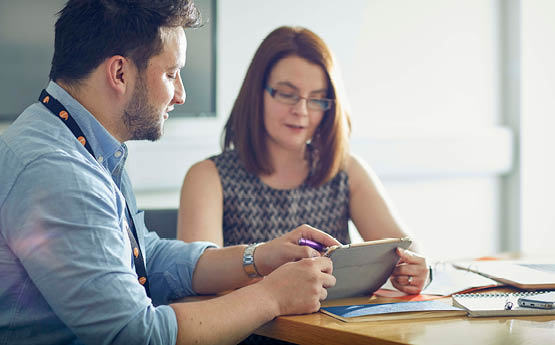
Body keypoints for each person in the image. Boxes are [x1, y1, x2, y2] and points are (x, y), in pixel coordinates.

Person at [0, 2, 340, 345]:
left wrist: (258, 257)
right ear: (119, 73)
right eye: (170, 74)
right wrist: (273, 296)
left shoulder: (77, 141)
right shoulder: (59, 173)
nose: (180, 94)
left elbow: (147, 256)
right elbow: (136, 336)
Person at [177, 26, 430, 295]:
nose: (301, 111)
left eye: (317, 99)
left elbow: (407, 251)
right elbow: (198, 285)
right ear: (256, 93)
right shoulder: (208, 177)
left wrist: (419, 271)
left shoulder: (346, 170)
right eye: (287, 94)